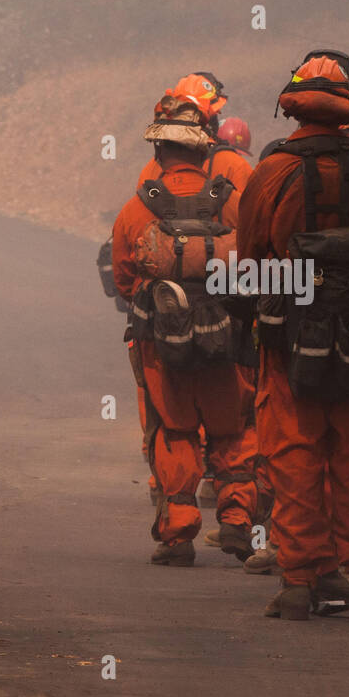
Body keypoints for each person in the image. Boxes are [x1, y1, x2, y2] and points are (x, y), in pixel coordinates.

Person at [236, 52, 349, 622]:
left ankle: (300, 582)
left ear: (295, 102)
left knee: (295, 454)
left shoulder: (272, 170)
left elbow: (250, 251)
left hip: (288, 335)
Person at [112, 81, 262, 567]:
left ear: (159, 149)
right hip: (227, 336)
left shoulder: (141, 204)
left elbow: (122, 275)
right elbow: (259, 256)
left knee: (175, 429)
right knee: (232, 427)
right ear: (205, 151)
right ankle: (238, 524)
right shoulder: (229, 198)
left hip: (164, 343)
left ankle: (178, 535)